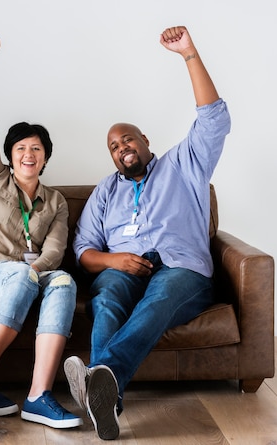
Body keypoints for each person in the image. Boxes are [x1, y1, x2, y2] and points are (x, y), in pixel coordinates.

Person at [64, 26, 231, 440]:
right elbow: (84, 248)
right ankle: (107, 401)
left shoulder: (183, 165)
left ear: (145, 140)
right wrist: (113, 260)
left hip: (179, 270)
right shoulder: (105, 190)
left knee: (159, 299)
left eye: (128, 139)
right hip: (122, 269)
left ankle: (103, 383)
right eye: (114, 146)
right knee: (106, 300)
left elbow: (213, 120)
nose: (122, 148)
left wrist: (189, 54)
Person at [0, 36, 81, 429]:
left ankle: (38, 396)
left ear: (45, 157)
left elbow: (56, 251)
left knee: (62, 280)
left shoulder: (56, 200)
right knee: (21, 273)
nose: (29, 154)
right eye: (21, 148)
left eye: (37, 148)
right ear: (10, 156)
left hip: (29, 275)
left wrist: (38, 270)